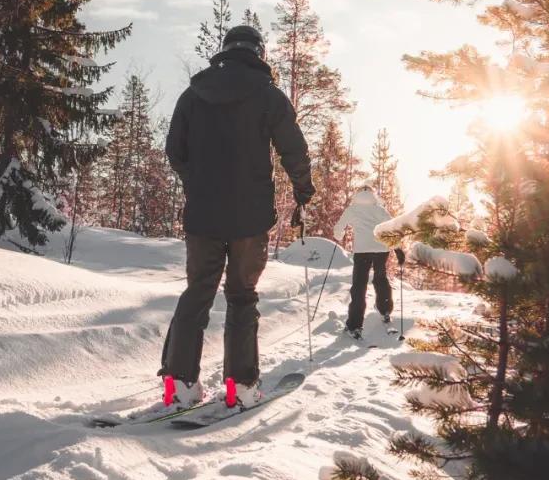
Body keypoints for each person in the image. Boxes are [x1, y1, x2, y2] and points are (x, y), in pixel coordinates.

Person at [161, 22, 314, 409]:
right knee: (242, 296)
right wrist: (302, 190)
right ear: (259, 53)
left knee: (198, 292)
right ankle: (241, 386)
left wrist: (196, 181)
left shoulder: (192, 95)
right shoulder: (268, 95)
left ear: (226, 50)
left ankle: (178, 384)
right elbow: (292, 147)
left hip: (203, 215)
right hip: (249, 217)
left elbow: (174, 151)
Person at [333, 185, 405, 340]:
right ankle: (385, 310)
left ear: (357, 194)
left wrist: (339, 235)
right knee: (380, 277)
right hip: (381, 249)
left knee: (359, 285)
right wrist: (397, 248)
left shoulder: (353, 209)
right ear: (373, 195)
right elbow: (391, 228)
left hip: (362, 250)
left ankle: (355, 324)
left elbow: (339, 227)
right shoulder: (379, 209)